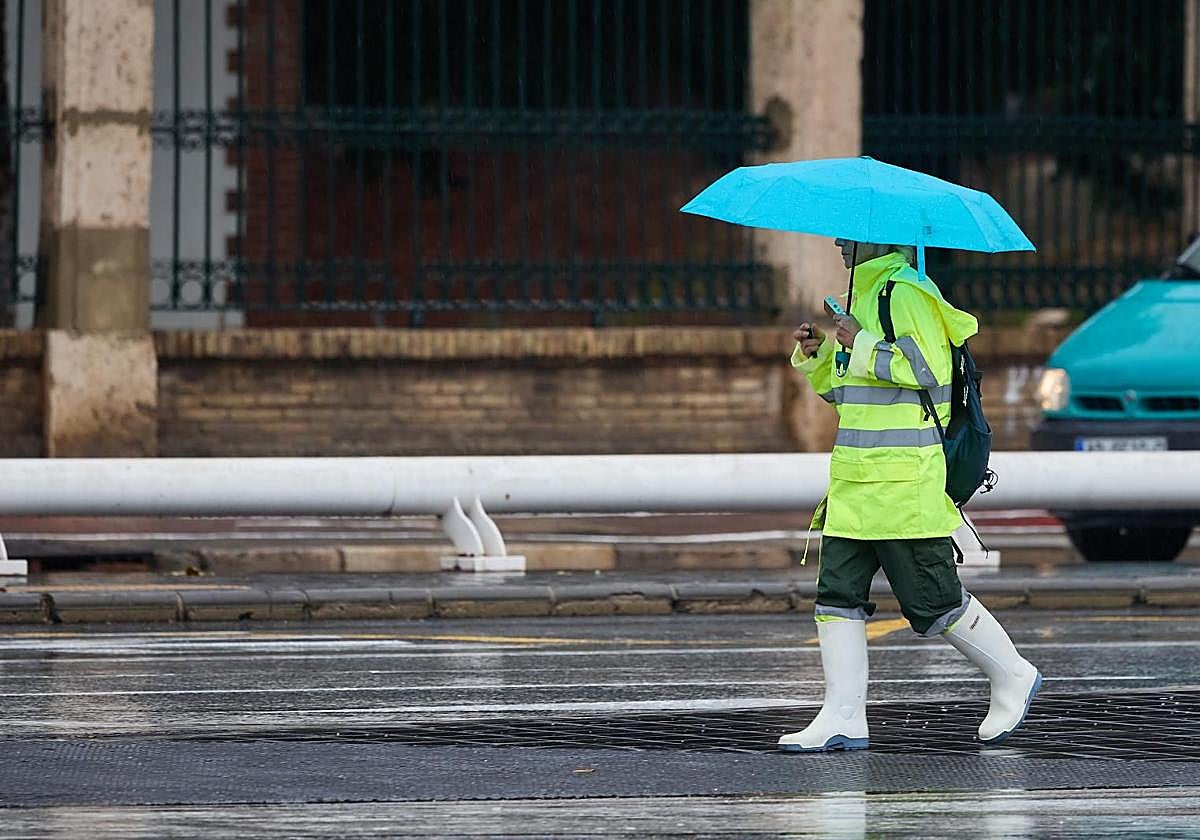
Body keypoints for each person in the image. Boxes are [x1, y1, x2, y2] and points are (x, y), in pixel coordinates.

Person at [778, 239, 1041, 753]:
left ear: (878, 237)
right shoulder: (864, 299)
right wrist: (821, 357)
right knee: (836, 598)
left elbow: (927, 373)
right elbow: (852, 396)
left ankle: (1013, 674)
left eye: (847, 233)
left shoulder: (909, 292)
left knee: (933, 601)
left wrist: (860, 343)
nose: (837, 242)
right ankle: (843, 717)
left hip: (903, 486)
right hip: (855, 486)